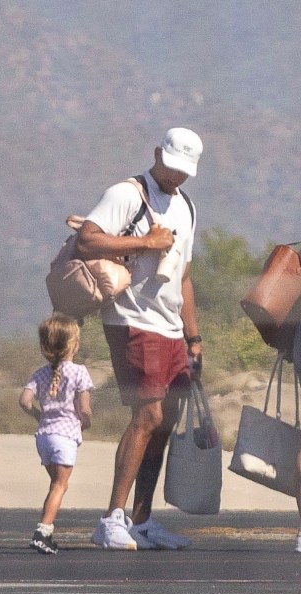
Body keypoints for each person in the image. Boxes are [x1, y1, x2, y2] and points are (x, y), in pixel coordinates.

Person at [77, 127, 204, 550]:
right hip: (132, 318)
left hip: (170, 326)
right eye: (172, 167)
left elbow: (184, 274)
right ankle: (111, 518)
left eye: (185, 171)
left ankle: (142, 521)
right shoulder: (127, 193)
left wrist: (194, 336)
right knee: (147, 416)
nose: (177, 177)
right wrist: (146, 241)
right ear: (156, 154)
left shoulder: (186, 206)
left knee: (165, 422)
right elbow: (88, 238)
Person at [19, 313, 93, 555]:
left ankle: (47, 533)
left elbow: (25, 401)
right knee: (60, 486)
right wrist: (86, 422)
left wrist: (40, 416)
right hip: (65, 437)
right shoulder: (79, 372)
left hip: (43, 436)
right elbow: (84, 408)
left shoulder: (39, 373)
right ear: (74, 345)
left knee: (55, 485)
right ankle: (42, 531)